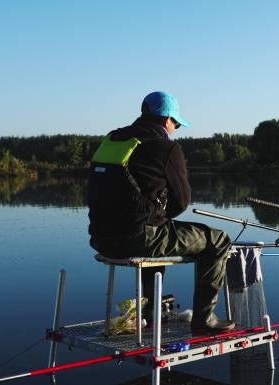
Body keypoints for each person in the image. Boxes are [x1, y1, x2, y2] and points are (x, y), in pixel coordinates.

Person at [87, 91, 234, 333]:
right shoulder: (166, 147)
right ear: (167, 119)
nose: (175, 128)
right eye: (176, 123)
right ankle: (205, 319)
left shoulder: (112, 139)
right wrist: (160, 212)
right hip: (138, 239)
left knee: (156, 233)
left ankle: (150, 312)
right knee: (219, 240)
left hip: (101, 239)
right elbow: (181, 203)